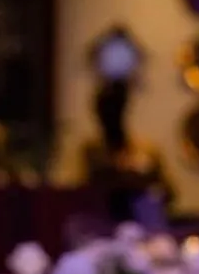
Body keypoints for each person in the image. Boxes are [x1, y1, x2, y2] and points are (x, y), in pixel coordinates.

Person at [72, 80, 175, 226]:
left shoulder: (146, 151)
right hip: (103, 227)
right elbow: (81, 195)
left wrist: (144, 185)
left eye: (116, 108)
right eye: (107, 110)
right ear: (98, 114)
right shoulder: (91, 153)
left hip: (143, 226)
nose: (111, 115)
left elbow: (169, 193)